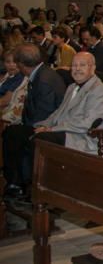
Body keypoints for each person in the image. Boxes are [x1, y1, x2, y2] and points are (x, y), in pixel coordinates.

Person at [1, 42, 66, 198]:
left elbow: (44, 114)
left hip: (51, 127)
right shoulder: (40, 73)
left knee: (15, 134)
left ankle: (18, 183)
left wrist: (25, 124)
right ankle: (15, 181)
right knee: (13, 132)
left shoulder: (44, 79)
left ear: (22, 65)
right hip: (40, 120)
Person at [31, 51, 103, 154]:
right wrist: (42, 126)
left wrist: (51, 129)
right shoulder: (71, 87)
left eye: (82, 65)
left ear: (92, 68)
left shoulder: (100, 91)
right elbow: (59, 112)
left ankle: (37, 170)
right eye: (74, 65)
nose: (77, 69)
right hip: (64, 132)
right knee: (18, 132)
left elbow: (87, 124)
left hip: (83, 139)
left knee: (41, 138)